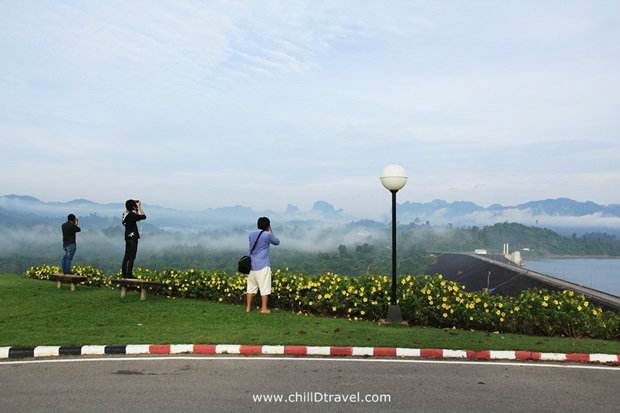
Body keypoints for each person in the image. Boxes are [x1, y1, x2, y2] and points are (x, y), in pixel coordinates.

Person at [246, 217, 280, 313]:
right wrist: (270, 231)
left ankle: (248, 308)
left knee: (250, 287)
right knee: (264, 287)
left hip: (251, 264)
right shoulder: (267, 235)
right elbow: (277, 242)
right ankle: (264, 308)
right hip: (263, 264)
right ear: (267, 226)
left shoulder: (251, 234)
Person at [121, 199, 146, 279]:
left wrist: (136, 209)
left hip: (127, 237)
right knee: (132, 256)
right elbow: (143, 216)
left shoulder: (125, 214)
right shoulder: (131, 215)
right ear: (132, 206)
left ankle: (124, 275)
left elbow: (137, 218)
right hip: (133, 237)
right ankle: (129, 275)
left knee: (126, 256)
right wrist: (139, 207)